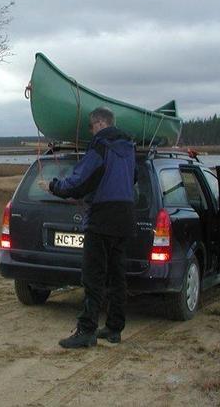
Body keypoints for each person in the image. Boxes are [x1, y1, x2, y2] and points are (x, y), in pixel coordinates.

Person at [42, 107, 136, 348]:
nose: (91, 131)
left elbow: (80, 180)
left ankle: (86, 331)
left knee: (93, 276)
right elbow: (133, 177)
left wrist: (54, 186)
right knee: (117, 275)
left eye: (92, 127)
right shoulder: (129, 146)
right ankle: (114, 329)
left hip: (102, 216)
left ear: (100, 124)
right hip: (124, 216)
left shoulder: (100, 145)